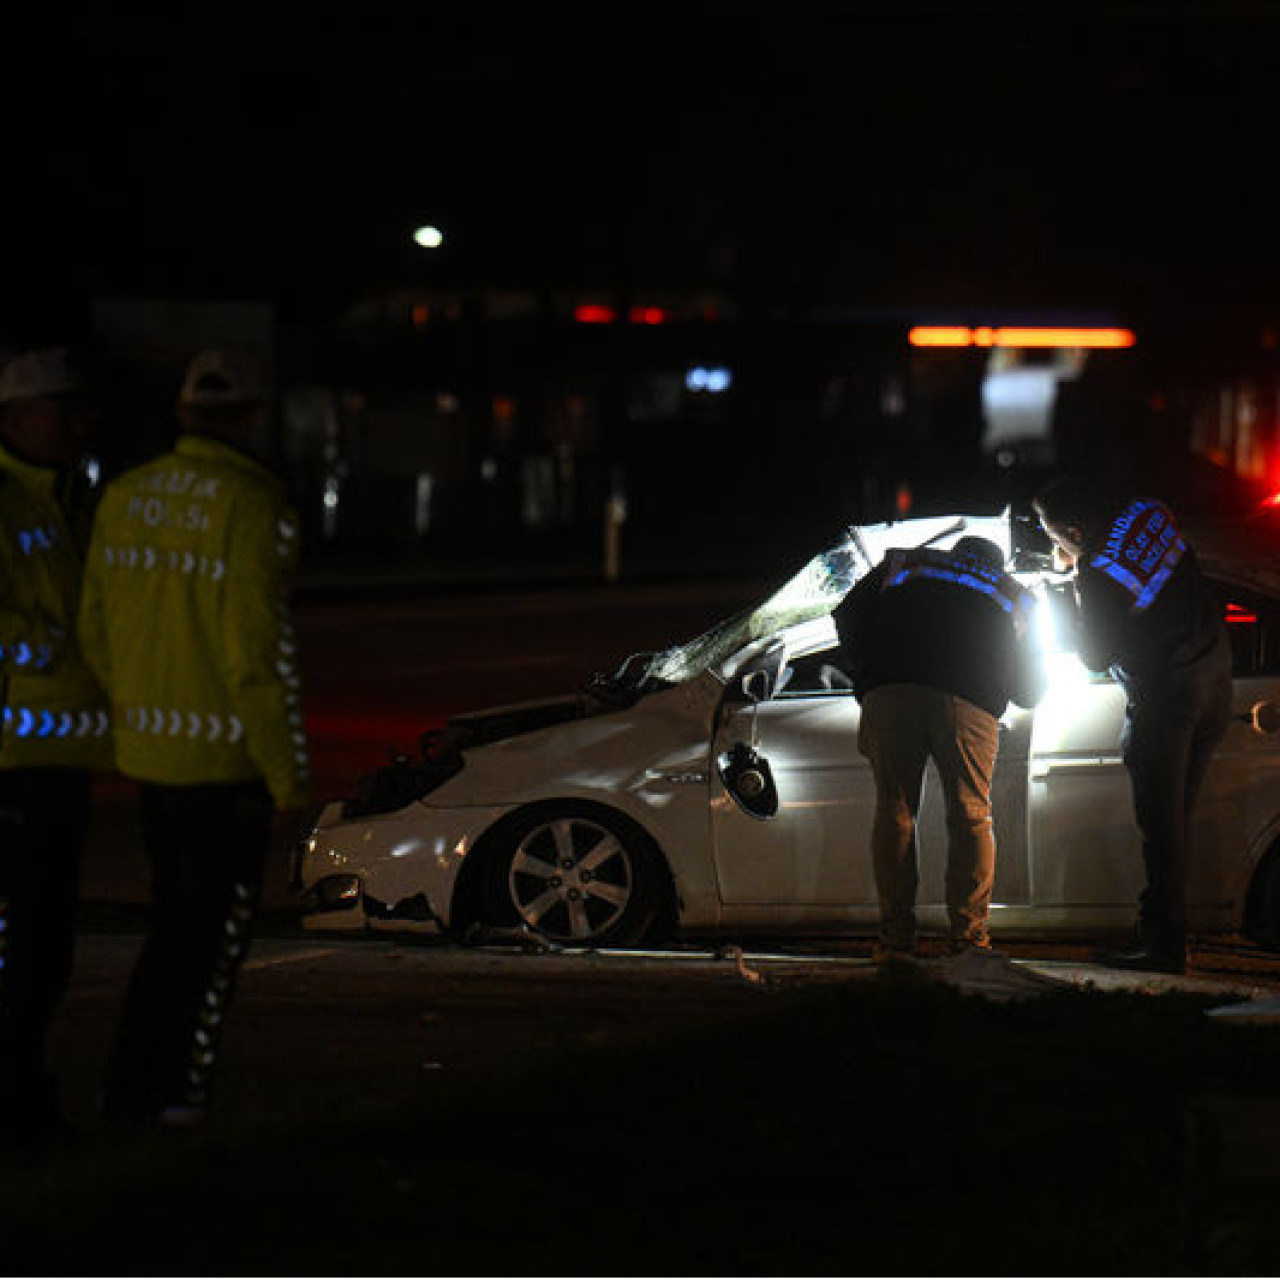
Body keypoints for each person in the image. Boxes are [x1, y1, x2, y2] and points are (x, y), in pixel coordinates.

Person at [78, 347, 311, 1128]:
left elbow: (95, 629)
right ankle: (180, 1096)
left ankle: (129, 1085)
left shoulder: (123, 496)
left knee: (168, 928)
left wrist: (137, 709)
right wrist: (287, 775)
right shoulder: (255, 505)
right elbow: (258, 656)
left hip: (152, 758)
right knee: (213, 945)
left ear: (183, 414)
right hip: (226, 765)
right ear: (249, 417)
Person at [1032, 477, 1232, 974]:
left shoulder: (1096, 575)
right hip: (1214, 675)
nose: (1054, 548)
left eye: (1054, 537)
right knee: (1175, 823)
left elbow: (1095, 657)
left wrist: (1072, 591)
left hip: (1167, 701)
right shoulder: (1149, 510)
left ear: (1075, 532)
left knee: (1160, 829)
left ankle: (1163, 947)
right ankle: (1163, 929)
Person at [834, 534, 1046, 958]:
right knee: (971, 815)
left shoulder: (906, 564)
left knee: (894, 811)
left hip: (889, 693)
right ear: (999, 565)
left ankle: (896, 940)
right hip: (967, 702)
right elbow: (1030, 690)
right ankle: (969, 940)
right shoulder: (1013, 594)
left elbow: (846, 615)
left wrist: (870, 666)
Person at [0, 347, 111, 1153]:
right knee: (27, 951)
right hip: (13, 763)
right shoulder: (11, 499)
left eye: (82, 410)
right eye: (60, 410)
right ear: (15, 417)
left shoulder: (69, 496)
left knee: (44, 950)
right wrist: (48, 648)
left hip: (58, 761)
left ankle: (24, 1099)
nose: (77, 425)